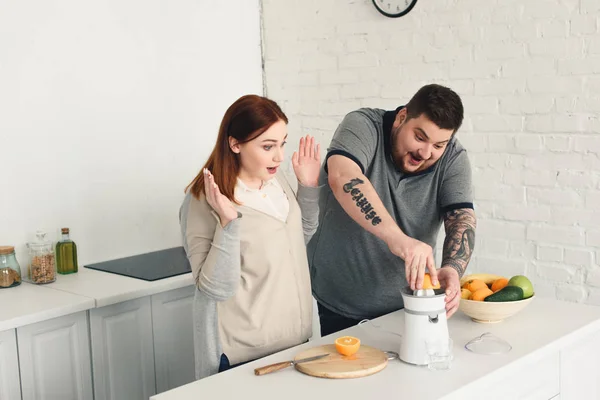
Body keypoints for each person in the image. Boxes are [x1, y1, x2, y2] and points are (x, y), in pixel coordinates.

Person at [307, 84, 477, 336]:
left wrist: (452, 268)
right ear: (401, 117)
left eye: (439, 145)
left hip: (410, 306)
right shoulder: (363, 124)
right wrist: (398, 240)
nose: (426, 152)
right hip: (341, 301)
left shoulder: (453, 156)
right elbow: (343, 176)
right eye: (419, 137)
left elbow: (461, 217)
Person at [180, 94, 322, 379]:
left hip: (296, 344)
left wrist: (307, 187)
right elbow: (213, 289)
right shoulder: (203, 200)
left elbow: (297, 238)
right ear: (235, 144)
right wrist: (228, 222)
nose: (279, 156)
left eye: (282, 143)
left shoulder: (276, 180)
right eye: (267, 146)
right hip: (243, 356)